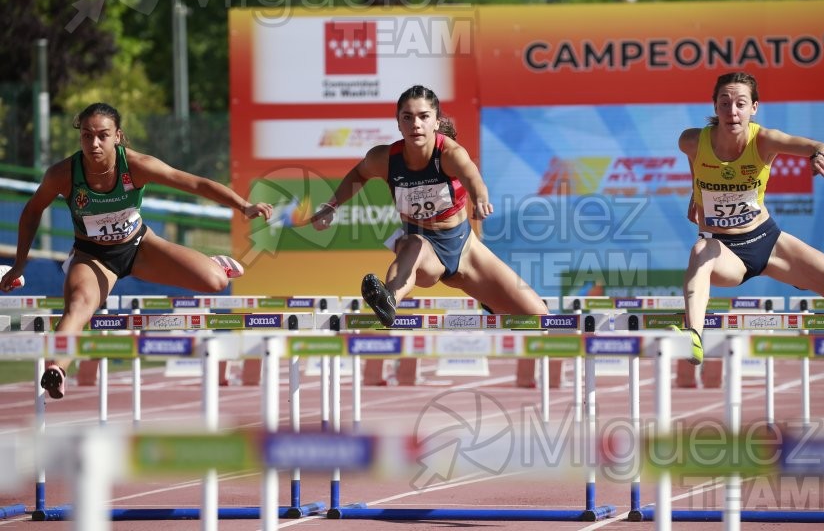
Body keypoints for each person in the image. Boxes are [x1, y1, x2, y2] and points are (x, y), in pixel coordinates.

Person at [0, 103, 272, 398]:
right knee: (78, 306)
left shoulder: (136, 165)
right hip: (93, 256)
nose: (94, 143)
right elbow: (31, 212)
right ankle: (57, 371)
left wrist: (243, 206)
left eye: (103, 135)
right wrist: (19, 264)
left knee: (217, 282)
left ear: (117, 136)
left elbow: (194, 183)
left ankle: (213, 264)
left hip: (140, 246)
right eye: (87, 136)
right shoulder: (63, 174)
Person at [675, 71, 824, 365]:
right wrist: (696, 195)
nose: (733, 111)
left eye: (741, 104)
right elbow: (697, 166)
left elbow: (821, 146)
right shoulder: (691, 141)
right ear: (714, 106)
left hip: (769, 242)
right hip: (724, 252)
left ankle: (794, 274)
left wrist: (821, 156)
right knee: (700, 251)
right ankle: (692, 337)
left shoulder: (764, 140)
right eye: (725, 102)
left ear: (753, 108)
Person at [307, 85, 548, 327]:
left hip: (464, 249)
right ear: (398, 123)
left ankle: (495, 304)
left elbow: (473, 178)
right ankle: (388, 299)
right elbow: (359, 173)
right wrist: (331, 206)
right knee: (414, 244)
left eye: (424, 116)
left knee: (538, 317)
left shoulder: (450, 154)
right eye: (407, 117)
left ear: (436, 121)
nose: (416, 124)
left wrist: (480, 199)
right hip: (424, 252)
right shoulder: (385, 159)